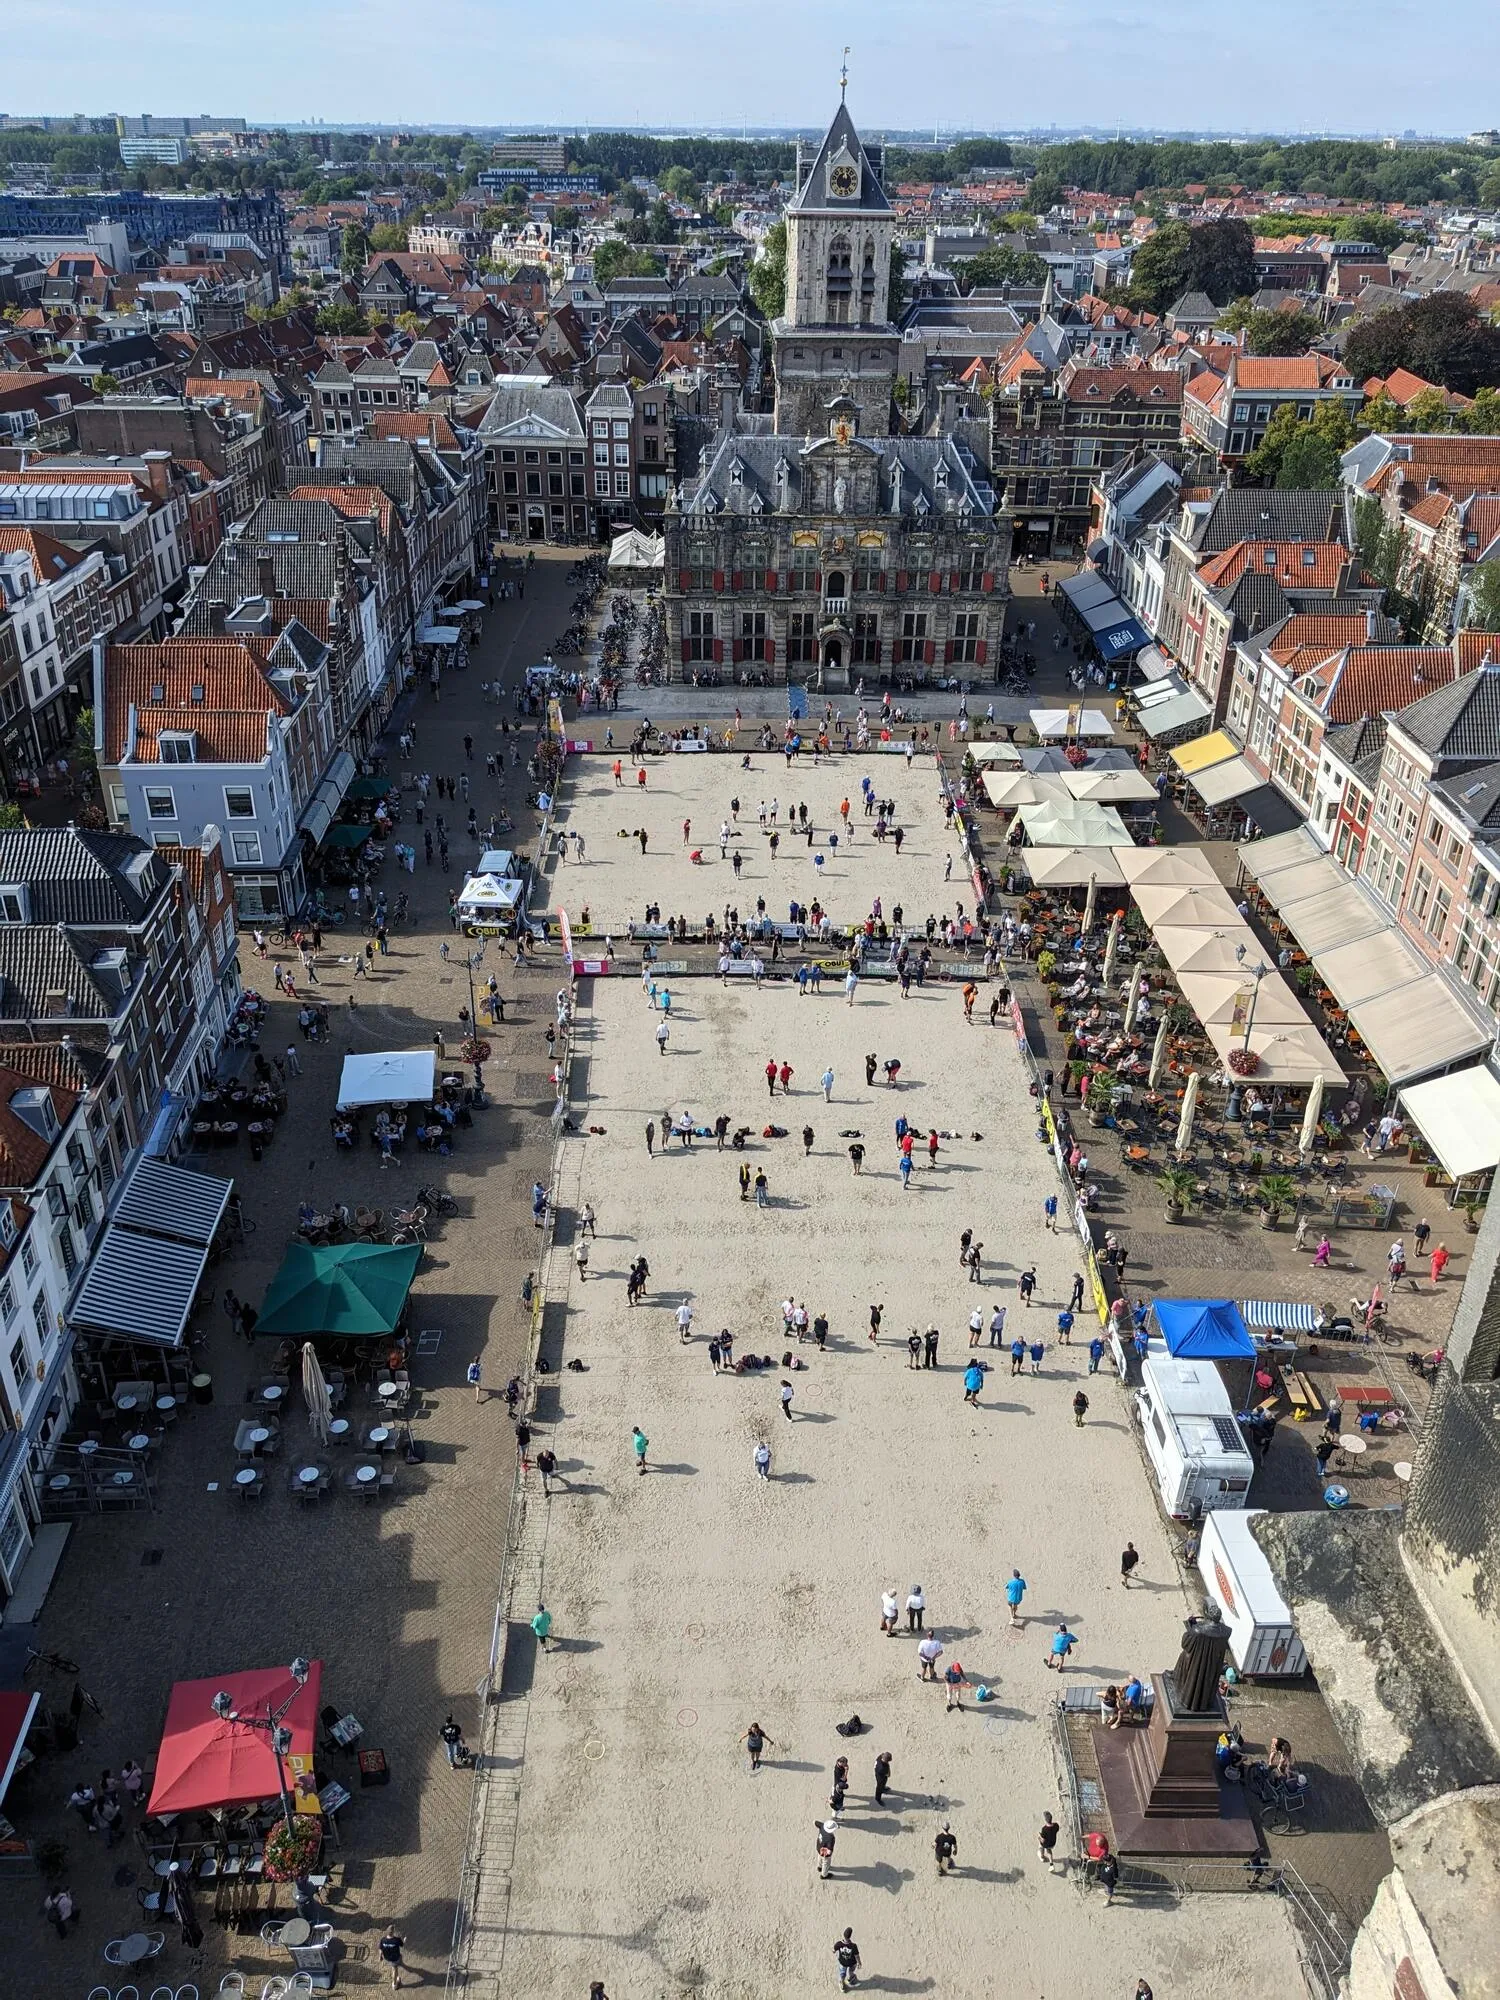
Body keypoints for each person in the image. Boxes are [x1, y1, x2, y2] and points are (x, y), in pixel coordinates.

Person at [379, 1923, 407, 1989]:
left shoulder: (383, 1940)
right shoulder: (396, 1940)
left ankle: (399, 1964)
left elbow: (380, 1948)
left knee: (399, 1960)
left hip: (387, 1957)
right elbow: (402, 1945)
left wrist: (380, 1956)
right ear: (393, 1932)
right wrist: (404, 1940)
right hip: (395, 1958)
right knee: (395, 1970)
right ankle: (394, 1984)